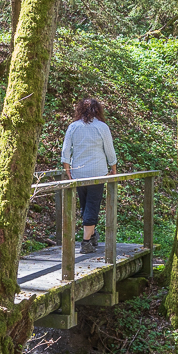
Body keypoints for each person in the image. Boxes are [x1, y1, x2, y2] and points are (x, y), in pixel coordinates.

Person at [60, 97, 117, 254]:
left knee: (86, 205)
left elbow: (66, 150)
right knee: (92, 204)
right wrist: (113, 167)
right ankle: (86, 242)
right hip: (97, 172)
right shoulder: (102, 127)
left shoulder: (73, 127)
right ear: (97, 110)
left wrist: (67, 169)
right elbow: (109, 150)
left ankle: (91, 236)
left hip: (79, 172)